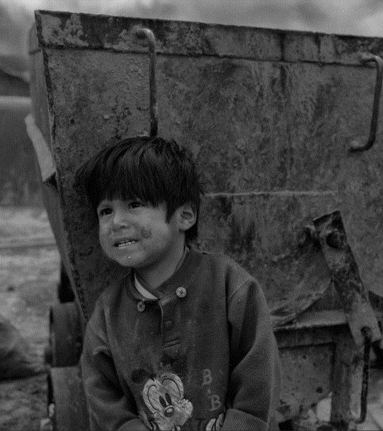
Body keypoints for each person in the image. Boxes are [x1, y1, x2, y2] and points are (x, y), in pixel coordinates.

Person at [74, 136, 282, 431]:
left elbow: (259, 384)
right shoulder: (108, 313)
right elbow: (103, 399)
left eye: (134, 204)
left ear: (184, 216)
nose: (116, 222)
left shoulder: (231, 287)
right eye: (105, 210)